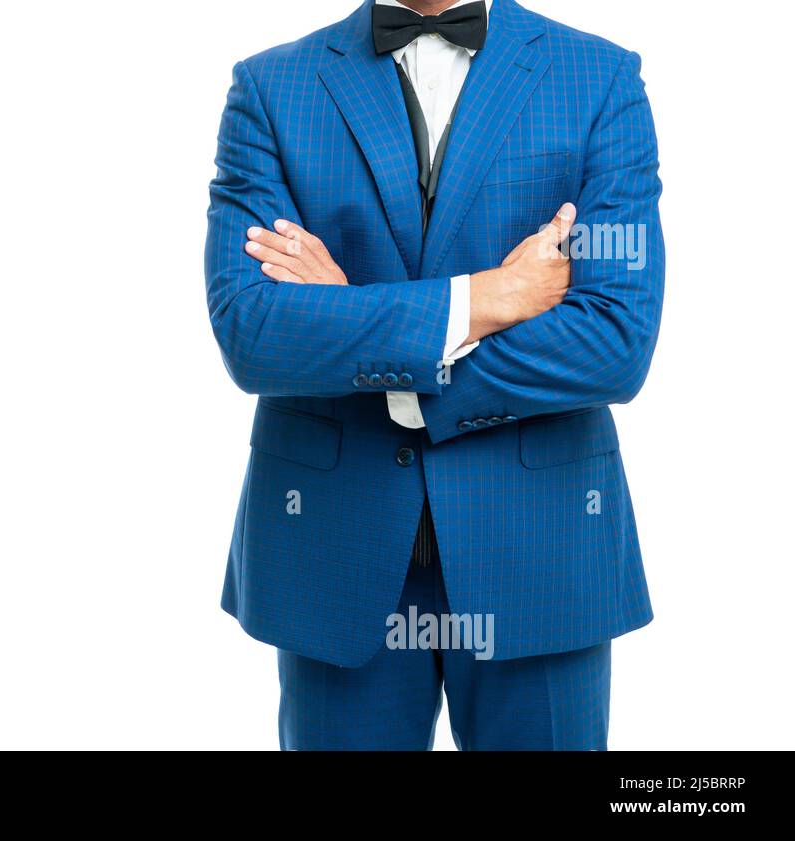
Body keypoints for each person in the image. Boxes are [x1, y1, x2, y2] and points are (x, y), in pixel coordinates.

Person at [204, 0, 664, 750]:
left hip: (539, 552)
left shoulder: (601, 78)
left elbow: (616, 339)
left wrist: (361, 330)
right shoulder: (269, 88)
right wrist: (486, 298)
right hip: (336, 553)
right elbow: (253, 333)